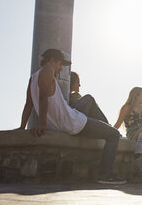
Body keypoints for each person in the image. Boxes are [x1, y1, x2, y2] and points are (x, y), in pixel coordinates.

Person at [19, 49, 125, 184]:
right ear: (52, 61)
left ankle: (105, 127)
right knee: (114, 134)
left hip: (67, 119)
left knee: (89, 101)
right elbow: (43, 98)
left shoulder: (33, 78)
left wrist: (22, 127)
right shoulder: (48, 71)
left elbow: (29, 104)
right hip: (73, 123)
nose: (61, 68)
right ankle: (105, 175)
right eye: (60, 64)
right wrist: (42, 125)